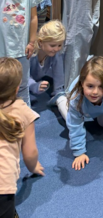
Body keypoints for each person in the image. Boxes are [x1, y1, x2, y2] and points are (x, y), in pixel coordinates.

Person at [0, 57, 44, 218]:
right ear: (17, 88)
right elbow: (30, 153)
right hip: (3, 183)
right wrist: (33, 167)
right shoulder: (22, 111)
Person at [0, 0, 43, 106]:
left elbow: (33, 18)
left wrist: (32, 42)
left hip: (22, 49)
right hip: (2, 50)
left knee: (23, 84)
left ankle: (25, 112)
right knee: (3, 84)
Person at [29, 20, 67, 120]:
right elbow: (22, 75)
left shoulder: (55, 54)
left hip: (36, 80)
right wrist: (33, 86)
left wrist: (59, 92)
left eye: (59, 45)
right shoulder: (31, 53)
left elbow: (58, 74)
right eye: (53, 45)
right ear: (40, 42)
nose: (56, 49)